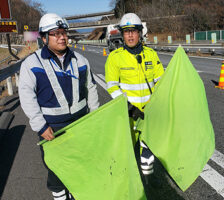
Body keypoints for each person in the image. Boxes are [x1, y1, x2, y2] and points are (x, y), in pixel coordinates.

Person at [19, 13, 99, 200]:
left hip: (81, 125)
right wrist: (40, 125)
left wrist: (95, 118)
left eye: (64, 33)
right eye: (56, 33)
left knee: (80, 166)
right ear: (45, 38)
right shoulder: (32, 63)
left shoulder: (80, 60)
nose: (62, 37)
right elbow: (26, 97)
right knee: (56, 170)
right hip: (51, 129)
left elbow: (91, 89)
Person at [105, 13, 164, 187]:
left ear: (140, 33)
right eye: (126, 32)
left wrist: (160, 102)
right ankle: (131, 183)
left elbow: (161, 80)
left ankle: (149, 181)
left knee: (148, 149)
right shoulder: (115, 58)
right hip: (127, 114)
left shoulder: (151, 55)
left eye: (133, 31)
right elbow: (112, 87)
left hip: (148, 113)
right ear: (122, 35)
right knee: (128, 151)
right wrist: (129, 107)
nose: (130, 35)